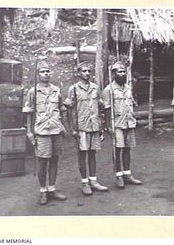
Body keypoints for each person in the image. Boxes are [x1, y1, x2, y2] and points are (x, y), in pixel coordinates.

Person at [23, 60, 67, 205]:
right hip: (41, 131)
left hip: (56, 130)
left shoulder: (56, 90)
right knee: (42, 161)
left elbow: (62, 108)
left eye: (48, 71)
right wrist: (29, 132)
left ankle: (52, 189)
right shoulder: (32, 92)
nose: (46, 74)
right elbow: (29, 112)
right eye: (43, 71)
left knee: (54, 159)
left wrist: (63, 126)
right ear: (38, 74)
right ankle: (43, 191)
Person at [64, 62, 108, 196]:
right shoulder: (74, 89)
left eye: (89, 71)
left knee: (93, 153)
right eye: (84, 71)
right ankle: (84, 182)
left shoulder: (95, 88)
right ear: (78, 73)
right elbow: (68, 110)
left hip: (94, 125)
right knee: (82, 155)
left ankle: (93, 181)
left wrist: (101, 126)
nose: (87, 73)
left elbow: (100, 106)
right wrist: (72, 129)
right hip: (81, 127)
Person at [102, 61, 142, 188]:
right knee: (118, 149)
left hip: (129, 122)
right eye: (120, 72)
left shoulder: (128, 88)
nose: (122, 74)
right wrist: (108, 126)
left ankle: (127, 174)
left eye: (124, 71)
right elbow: (107, 109)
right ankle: (119, 175)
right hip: (117, 123)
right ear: (114, 74)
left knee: (128, 148)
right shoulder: (109, 90)